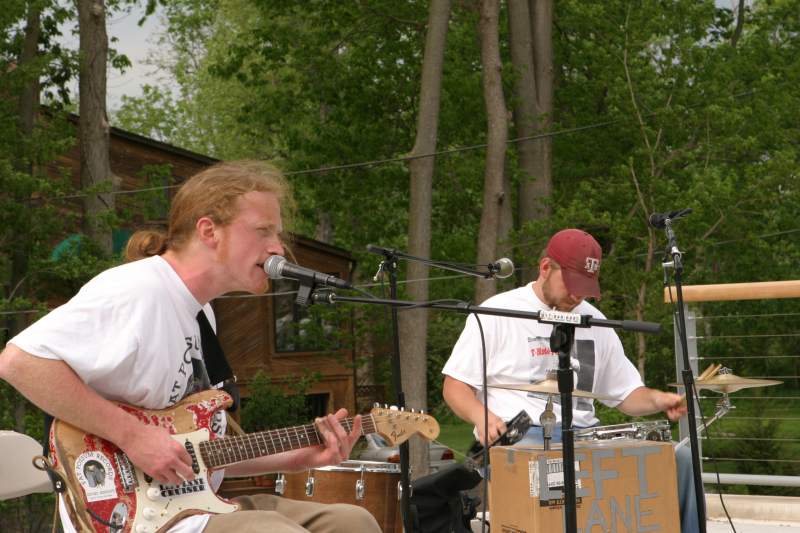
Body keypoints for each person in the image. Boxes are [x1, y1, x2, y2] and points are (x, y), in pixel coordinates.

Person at [0, 161, 381, 533]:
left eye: (277, 233)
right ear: (209, 231)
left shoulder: (201, 315)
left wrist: (298, 457)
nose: (278, 247)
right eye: (263, 230)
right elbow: (19, 362)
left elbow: (198, 452)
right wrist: (133, 436)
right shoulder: (138, 290)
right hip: (133, 515)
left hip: (194, 505)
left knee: (353, 521)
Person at [441, 228, 699, 533]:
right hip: (523, 436)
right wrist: (482, 418)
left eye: (586, 288)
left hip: (587, 436)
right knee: (554, 466)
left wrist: (657, 399)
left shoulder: (595, 321)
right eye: (572, 284)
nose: (578, 296)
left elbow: (625, 393)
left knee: (679, 458)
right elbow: (455, 386)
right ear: (545, 268)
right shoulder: (497, 313)